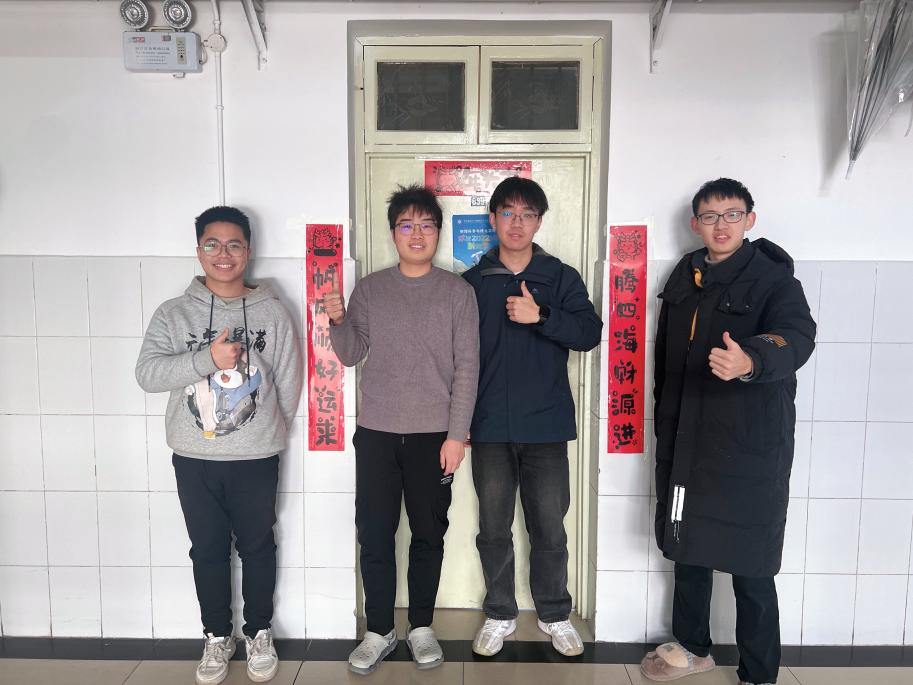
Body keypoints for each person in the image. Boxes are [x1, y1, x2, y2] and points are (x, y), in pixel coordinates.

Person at [641, 178, 816, 685]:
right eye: (710, 216)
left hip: (749, 447)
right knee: (687, 549)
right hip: (687, 440)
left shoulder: (773, 280)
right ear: (695, 223)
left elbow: (797, 337)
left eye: (732, 214)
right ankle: (693, 647)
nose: (721, 225)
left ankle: (759, 672)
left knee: (752, 563)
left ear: (749, 220)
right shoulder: (686, 275)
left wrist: (751, 360)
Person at [136, 206, 302, 685]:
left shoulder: (273, 312)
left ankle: (259, 633)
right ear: (199, 250)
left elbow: (289, 382)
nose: (223, 254)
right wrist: (206, 358)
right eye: (212, 244)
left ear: (248, 250)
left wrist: (265, 429)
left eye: (234, 244)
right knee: (207, 549)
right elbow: (147, 374)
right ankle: (216, 636)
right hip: (194, 457)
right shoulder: (173, 313)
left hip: (255, 456)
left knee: (258, 546)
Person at [325, 184, 479, 675]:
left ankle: (421, 627)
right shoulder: (371, 289)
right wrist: (337, 320)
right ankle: (378, 630)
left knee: (429, 533)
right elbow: (352, 353)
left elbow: (467, 368)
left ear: (438, 232)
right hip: (377, 432)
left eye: (426, 225)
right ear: (393, 233)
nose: (417, 234)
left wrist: (456, 435)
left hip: (435, 436)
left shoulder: (458, 293)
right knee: (375, 533)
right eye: (407, 225)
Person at [462, 176, 602, 658]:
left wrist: (541, 315)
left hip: (545, 427)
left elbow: (589, 333)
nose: (516, 223)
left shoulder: (559, 277)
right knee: (493, 528)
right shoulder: (473, 282)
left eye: (526, 214)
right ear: (493, 219)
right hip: (489, 427)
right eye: (507, 213)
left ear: (539, 221)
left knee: (549, 527)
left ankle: (555, 613)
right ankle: (500, 612)